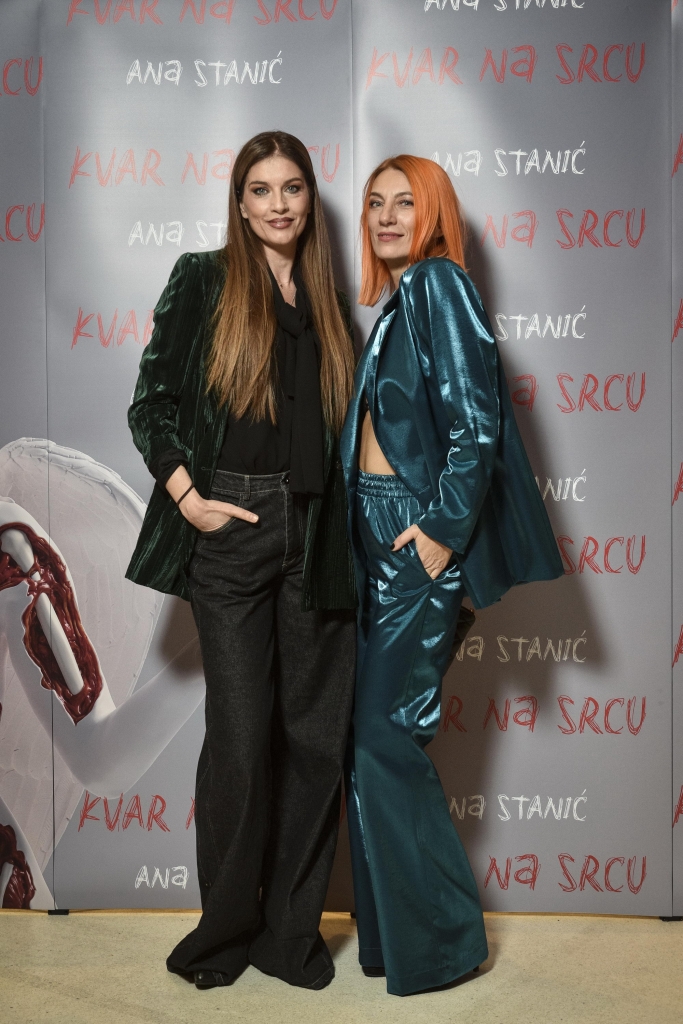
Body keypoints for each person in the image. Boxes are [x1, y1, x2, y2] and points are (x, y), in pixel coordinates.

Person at [126, 131, 357, 991]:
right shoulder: (203, 278)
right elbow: (151, 401)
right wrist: (189, 498)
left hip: (316, 533)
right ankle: (222, 936)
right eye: (260, 189)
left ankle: (289, 936)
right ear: (239, 201)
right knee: (239, 739)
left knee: (314, 740)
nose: (278, 203)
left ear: (309, 198)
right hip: (230, 524)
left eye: (292, 187)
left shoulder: (327, 301)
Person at [340, 155, 564, 997]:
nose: (386, 216)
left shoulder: (438, 284)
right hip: (368, 529)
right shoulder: (394, 306)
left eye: (405, 202)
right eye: (374, 203)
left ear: (433, 214)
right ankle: (395, 944)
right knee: (364, 746)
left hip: (412, 531)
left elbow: (477, 422)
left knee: (383, 738)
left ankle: (444, 945)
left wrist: (438, 532)